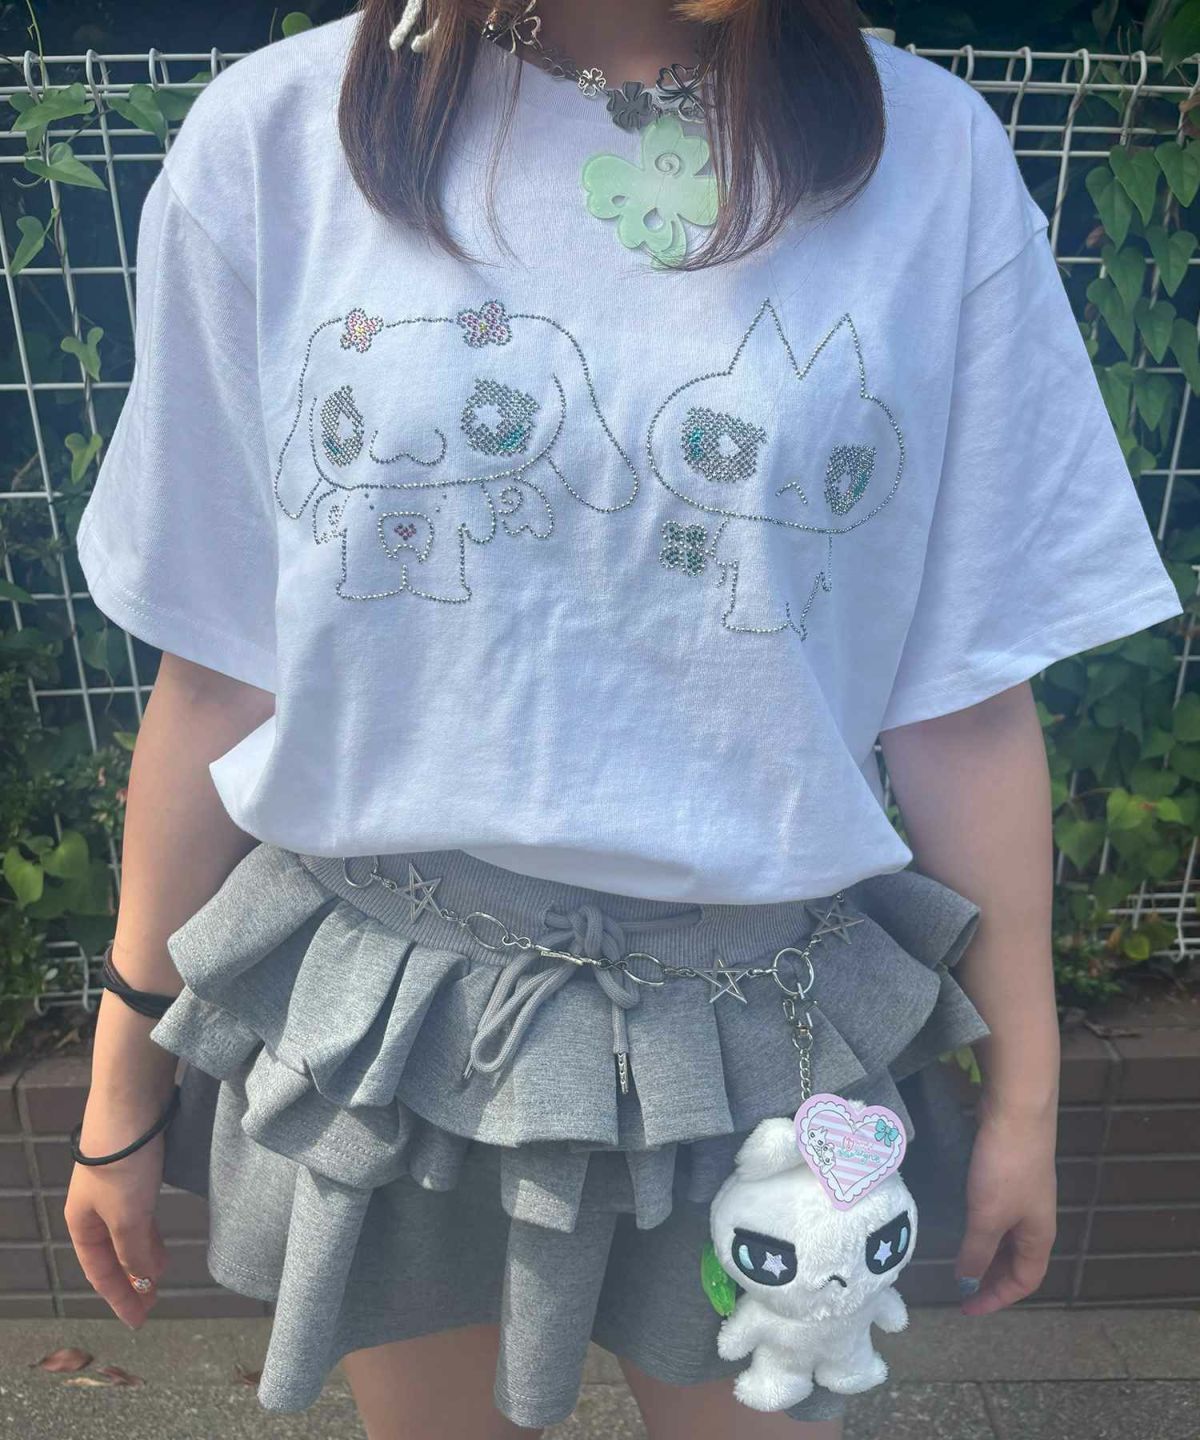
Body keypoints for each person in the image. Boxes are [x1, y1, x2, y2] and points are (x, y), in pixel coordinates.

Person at [64, 2, 1184, 1437]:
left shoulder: (928, 160)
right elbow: (221, 670)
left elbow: (963, 697)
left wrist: (1027, 1098)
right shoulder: (275, 141)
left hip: (764, 1029)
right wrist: (122, 1083)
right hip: (398, 1019)